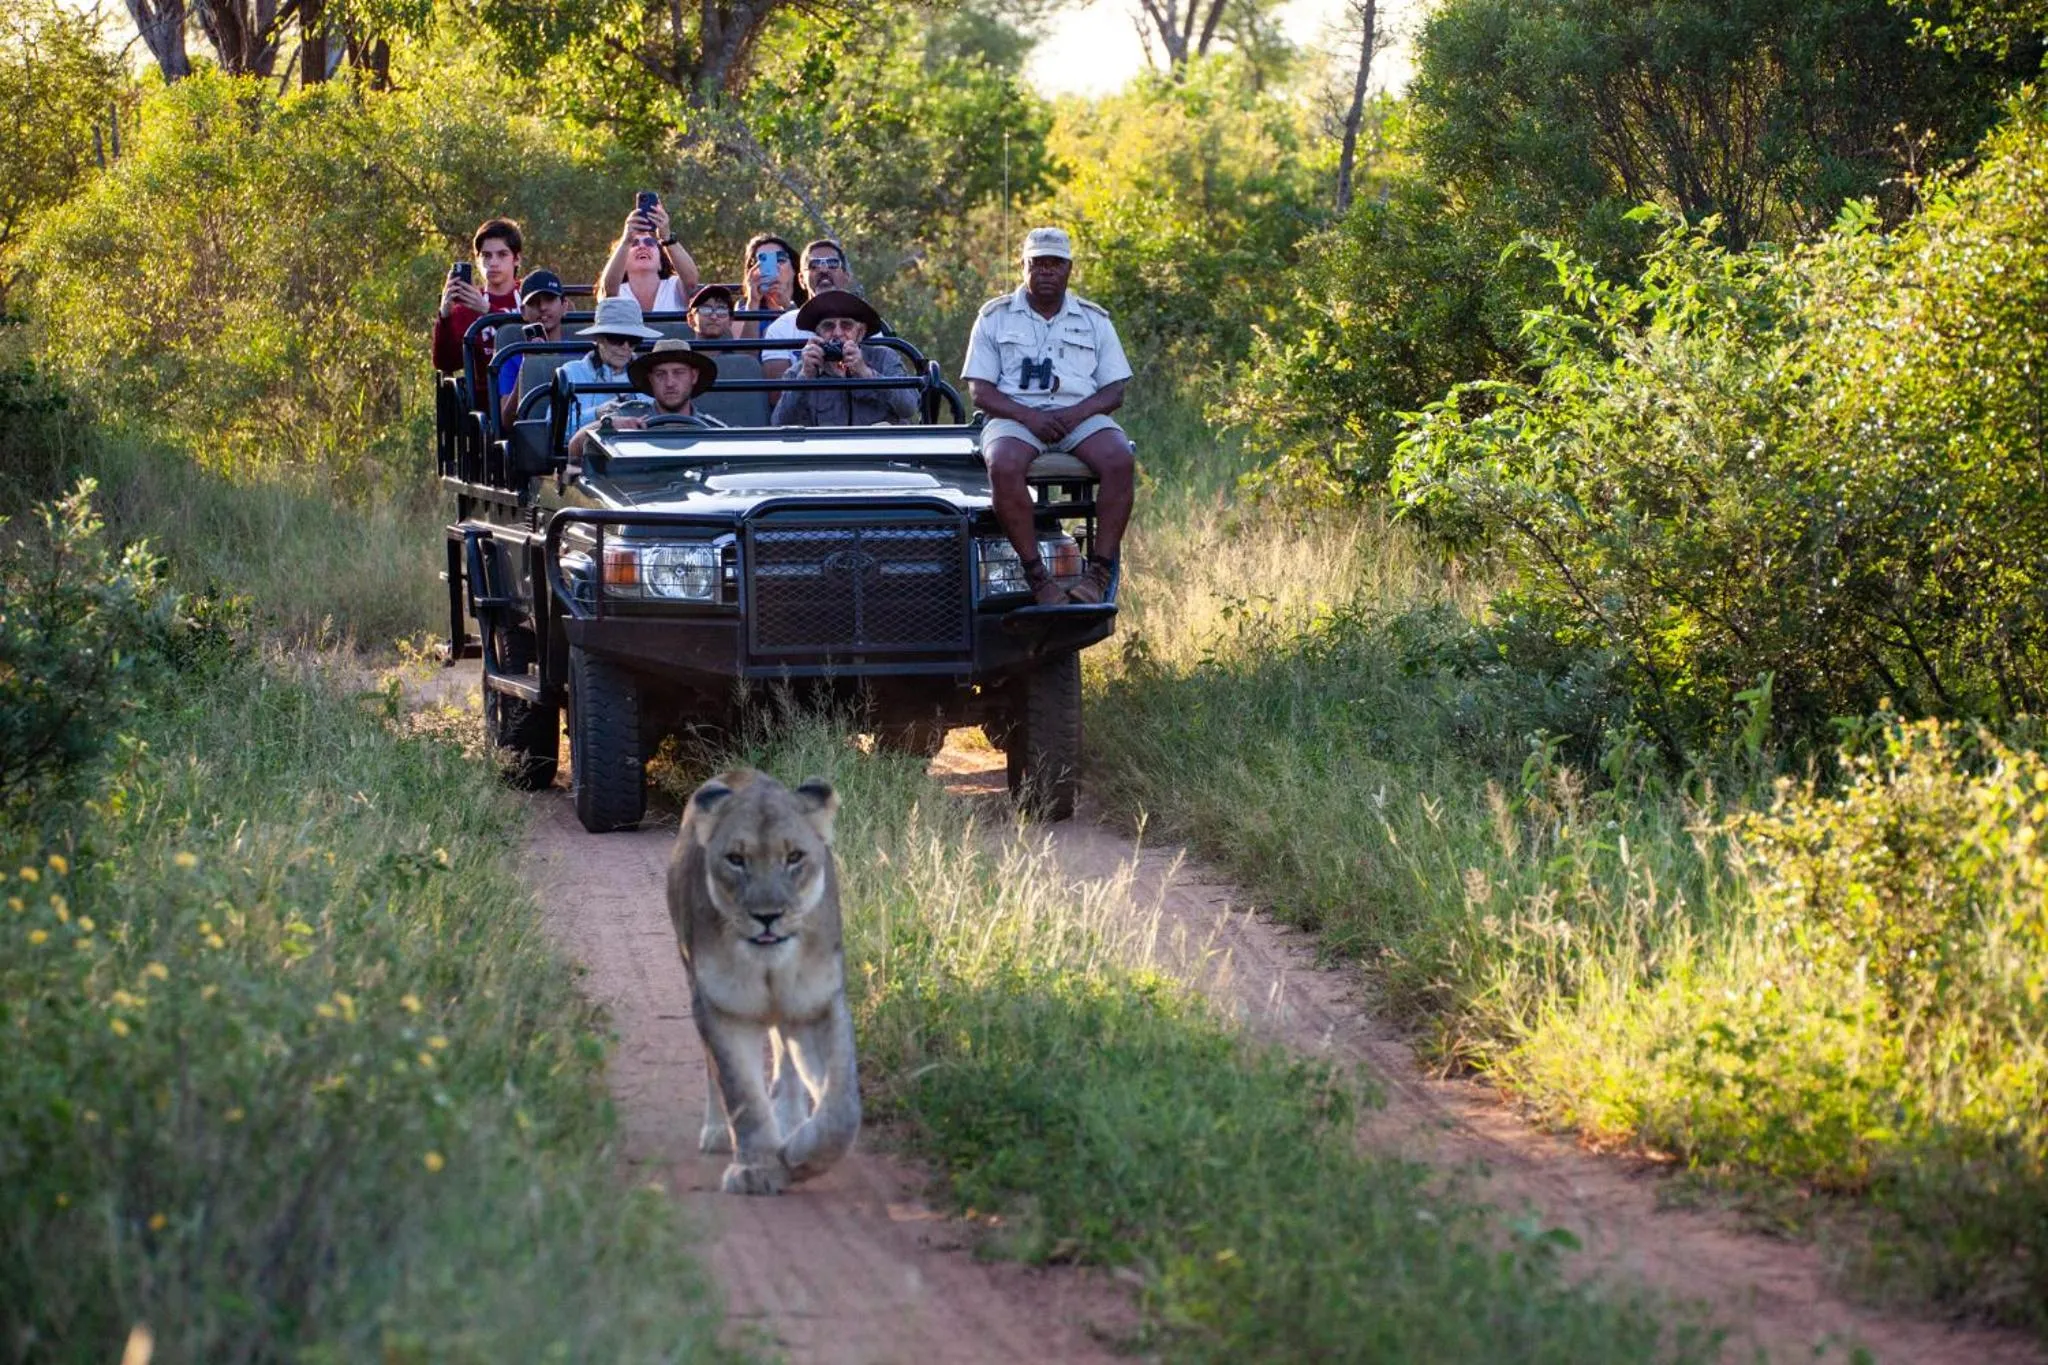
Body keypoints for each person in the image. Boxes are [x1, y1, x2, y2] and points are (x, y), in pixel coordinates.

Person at [961, 227, 1135, 607]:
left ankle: (1098, 574)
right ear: (1023, 266)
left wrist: (1075, 415)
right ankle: (1038, 578)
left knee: (1120, 458)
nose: (1046, 271)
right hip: (1015, 415)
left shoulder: (1093, 319)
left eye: (1055, 263)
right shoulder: (995, 316)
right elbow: (981, 391)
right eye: (1037, 263)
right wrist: (1028, 417)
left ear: (1069, 269)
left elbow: (1114, 390)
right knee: (1003, 463)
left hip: (1080, 413)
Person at [770, 291, 918, 428]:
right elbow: (779, 424)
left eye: (846, 325)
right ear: (817, 334)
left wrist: (866, 373)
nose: (837, 333)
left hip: (878, 451)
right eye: (828, 326)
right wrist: (805, 378)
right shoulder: (800, 370)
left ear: (860, 333)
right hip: (828, 453)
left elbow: (909, 407)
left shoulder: (884, 358)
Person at [567, 338, 722, 462]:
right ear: (650, 379)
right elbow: (575, 448)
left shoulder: (714, 431)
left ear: (693, 376)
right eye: (660, 374)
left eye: (679, 373)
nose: (670, 383)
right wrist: (606, 425)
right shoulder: (626, 415)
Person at [556, 295, 662, 436]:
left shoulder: (651, 374)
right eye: (616, 339)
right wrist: (596, 414)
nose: (625, 347)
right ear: (597, 338)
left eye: (633, 340)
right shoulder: (571, 373)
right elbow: (554, 427)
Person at [432, 217, 524, 374]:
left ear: (516, 259)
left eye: (502, 254)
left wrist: (488, 310)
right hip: (486, 395)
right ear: (477, 260)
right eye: (486, 256)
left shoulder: (531, 295)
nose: (493, 263)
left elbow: (544, 344)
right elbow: (446, 363)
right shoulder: (465, 307)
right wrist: (445, 316)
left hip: (531, 392)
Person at [761, 238, 860, 379]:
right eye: (814, 265)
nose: (824, 270)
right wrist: (805, 373)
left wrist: (862, 370)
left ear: (846, 276)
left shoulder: (866, 323)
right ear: (801, 280)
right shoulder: (780, 329)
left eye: (833, 264)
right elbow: (777, 397)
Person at [596, 200, 700, 319]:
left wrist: (666, 237)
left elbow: (692, 282)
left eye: (650, 242)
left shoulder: (673, 286)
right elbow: (607, 291)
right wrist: (626, 240)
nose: (642, 246)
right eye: (634, 243)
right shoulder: (617, 290)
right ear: (622, 261)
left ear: (661, 261)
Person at [686, 284, 771, 427]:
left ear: (731, 320)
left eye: (721, 309)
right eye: (705, 309)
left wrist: (754, 301)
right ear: (690, 319)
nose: (714, 316)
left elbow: (750, 353)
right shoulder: (680, 362)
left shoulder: (742, 366)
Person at [494, 269, 569, 426]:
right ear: (523, 311)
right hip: (532, 437)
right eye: (534, 302)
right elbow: (507, 421)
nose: (542, 307)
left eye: (549, 299)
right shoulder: (512, 357)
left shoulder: (581, 352)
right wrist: (527, 366)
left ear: (564, 306)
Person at [733, 233, 803, 339]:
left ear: (794, 268)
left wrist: (788, 307)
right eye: (763, 260)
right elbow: (745, 354)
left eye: (780, 259)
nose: (774, 266)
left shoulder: (809, 307)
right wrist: (753, 303)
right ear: (752, 272)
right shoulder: (742, 314)